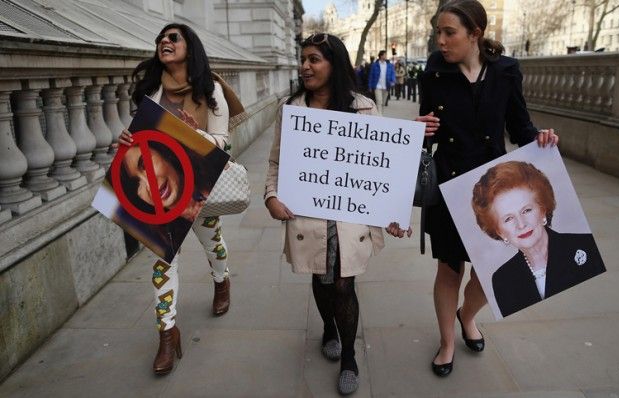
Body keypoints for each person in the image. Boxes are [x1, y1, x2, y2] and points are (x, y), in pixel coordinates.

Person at [415, 0, 559, 377]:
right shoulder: (433, 72)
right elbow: (425, 135)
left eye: (450, 33)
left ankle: (468, 315)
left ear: (474, 34)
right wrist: (418, 129)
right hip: (449, 184)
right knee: (449, 269)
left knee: (488, 270)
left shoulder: (507, 72)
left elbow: (521, 127)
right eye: (438, 32)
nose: (440, 41)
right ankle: (448, 342)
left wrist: (541, 138)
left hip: (495, 190)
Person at [264, 33, 409, 395]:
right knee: (319, 275)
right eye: (303, 59)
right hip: (307, 213)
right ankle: (328, 327)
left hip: (350, 216)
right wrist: (270, 196)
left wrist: (393, 211)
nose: (305, 66)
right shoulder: (291, 107)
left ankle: (349, 356)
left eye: (314, 59)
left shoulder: (362, 107)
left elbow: (382, 168)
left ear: (334, 64)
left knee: (344, 282)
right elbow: (276, 162)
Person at [117, 23, 247, 375]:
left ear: (191, 46)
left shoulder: (212, 90)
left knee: (213, 243)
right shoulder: (151, 90)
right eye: (160, 38)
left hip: (198, 186)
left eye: (173, 38)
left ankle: (222, 282)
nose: (164, 42)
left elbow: (223, 143)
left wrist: (195, 133)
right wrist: (128, 141)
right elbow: (145, 137)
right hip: (159, 192)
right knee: (162, 262)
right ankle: (166, 334)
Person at [472, 161, 605, 317]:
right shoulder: (502, 279)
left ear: (543, 210)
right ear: (500, 232)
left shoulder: (586, 246)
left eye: (526, 210)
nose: (521, 224)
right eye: (508, 219)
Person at [115, 140, 222, 260]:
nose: (150, 185)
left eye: (145, 164)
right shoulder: (165, 241)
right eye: (136, 184)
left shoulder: (215, 171)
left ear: (164, 153)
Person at [368, 50, 395, 114]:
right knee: (379, 102)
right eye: (385, 54)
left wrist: (393, 81)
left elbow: (392, 73)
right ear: (381, 56)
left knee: (383, 103)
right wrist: (369, 86)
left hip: (386, 86)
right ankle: (379, 116)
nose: (386, 56)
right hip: (377, 86)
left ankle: (381, 114)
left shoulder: (389, 65)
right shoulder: (375, 65)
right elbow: (371, 76)